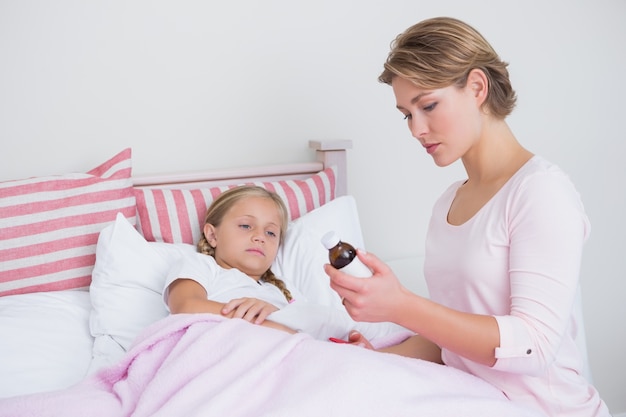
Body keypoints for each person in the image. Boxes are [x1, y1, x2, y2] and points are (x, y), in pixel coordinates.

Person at [324, 17, 611, 417]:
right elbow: (454, 342)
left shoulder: (540, 192)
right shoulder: (447, 204)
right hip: (472, 399)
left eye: (427, 106)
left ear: (477, 87)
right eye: (407, 114)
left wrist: (400, 306)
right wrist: (378, 357)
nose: (416, 130)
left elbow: (534, 344)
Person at [163, 185, 297, 334]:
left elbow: (312, 325)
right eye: (246, 226)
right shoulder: (201, 265)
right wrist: (268, 324)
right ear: (213, 235)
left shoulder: (284, 289)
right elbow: (185, 307)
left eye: (270, 233)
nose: (260, 237)